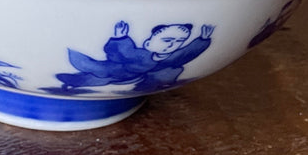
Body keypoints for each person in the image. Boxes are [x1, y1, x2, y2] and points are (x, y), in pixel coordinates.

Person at [56, 21, 214, 92]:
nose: (172, 45)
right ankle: (72, 81)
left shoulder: (171, 58)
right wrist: (120, 38)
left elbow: (188, 53)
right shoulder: (138, 55)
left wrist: (202, 40)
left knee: (172, 70)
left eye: (179, 42)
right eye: (167, 40)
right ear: (147, 42)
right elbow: (120, 53)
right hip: (118, 71)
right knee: (97, 72)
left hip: (146, 78)